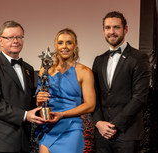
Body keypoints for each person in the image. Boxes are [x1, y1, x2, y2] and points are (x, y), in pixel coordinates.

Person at [0, 20, 46, 153]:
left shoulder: (28, 68)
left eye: (19, 37)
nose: (15, 41)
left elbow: (26, 101)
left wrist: (37, 101)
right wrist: (25, 115)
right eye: (10, 37)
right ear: (0, 40)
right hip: (0, 143)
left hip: (24, 143)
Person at [92, 11, 151, 153]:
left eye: (116, 27)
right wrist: (98, 122)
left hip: (127, 134)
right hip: (102, 134)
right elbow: (94, 96)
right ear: (103, 31)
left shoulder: (139, 58)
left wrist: (115, 125)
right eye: (107, 28)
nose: (111, 32)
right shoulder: (98, 60)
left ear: (125, 29)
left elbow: (139, 98)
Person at [36, 28, 96, 153]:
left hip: (72, 128)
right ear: (56, 46)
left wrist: (62, 114)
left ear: (75, 45)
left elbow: (90, 105)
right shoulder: (45, 71)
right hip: (49, 127)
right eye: (60, 42)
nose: (65, 46)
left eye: (69, 42)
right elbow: (40, 104)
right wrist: (39, 100)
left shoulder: (84, 72)